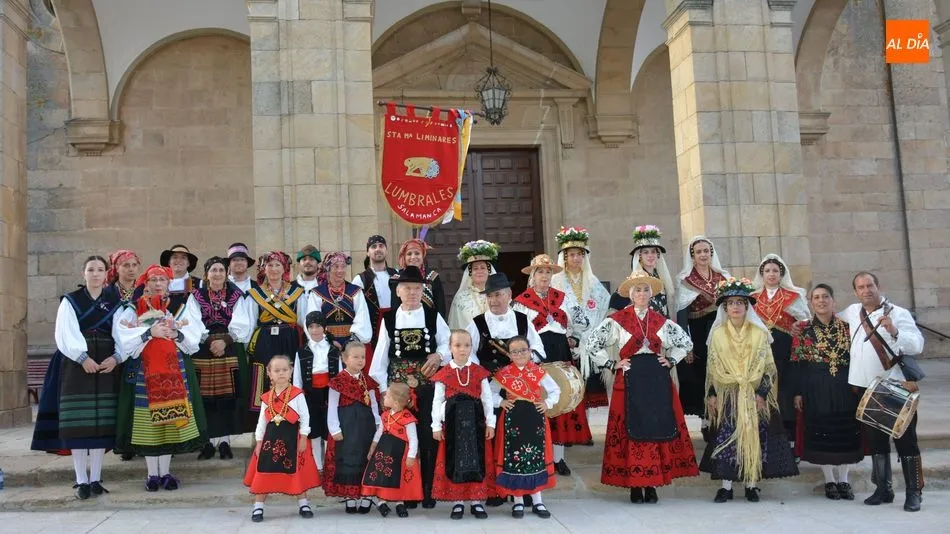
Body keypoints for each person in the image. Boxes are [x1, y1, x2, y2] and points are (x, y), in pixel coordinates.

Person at [585, 270, 699, 504]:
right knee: (630, 428)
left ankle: (653, 483)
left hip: (656, 379)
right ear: (630, 294)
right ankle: (634, 486)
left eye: (646, 289)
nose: (642, 293)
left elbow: (685, 343)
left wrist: (672, 359)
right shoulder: (618, 320)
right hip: (629, 377)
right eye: (638, 289)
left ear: (651, 293)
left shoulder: (660, 320)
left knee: (655, 426)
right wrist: (611, 363)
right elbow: (592, 344)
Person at [30, 256, 122, 499]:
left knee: (101, 424)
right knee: (78, 424)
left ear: (107, 274)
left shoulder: (115, 302)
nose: (95, 274)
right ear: (84, 273)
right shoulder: (71, 301)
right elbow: (65, 332)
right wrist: (82, 358)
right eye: (91, 269)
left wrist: (116, 358)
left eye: (100, 270)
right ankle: (81, 481)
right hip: (76, 363)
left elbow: (121, 331)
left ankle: (96, 480)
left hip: (105, 362)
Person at [700, 277, 798, 503]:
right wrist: (712, 394)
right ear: (725, 308)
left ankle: (751, 485)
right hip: (727, 395)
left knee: (755, 437)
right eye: (730, 303)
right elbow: (713, 368)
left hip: (754, 396)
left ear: (747, 307)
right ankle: (726, 487)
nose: (735, 307)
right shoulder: (717, 334)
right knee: (727, 439)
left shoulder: (759, 333)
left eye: (740, 303)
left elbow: (769, 368)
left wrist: (762, 393)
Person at [114, 264, 209, 491]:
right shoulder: (134, 308)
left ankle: (165, 472)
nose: (158, 284)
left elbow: (195, 334)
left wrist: (176, 333)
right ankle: (151, 475)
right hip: (146, 370)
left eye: (162, 280)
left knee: (170, 419)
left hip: (175, 369)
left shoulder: (180, 308)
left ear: (168, 283)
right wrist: (150, 333)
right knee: (149, 420)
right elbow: (123, 336)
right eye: (153, 280)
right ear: (146, 284)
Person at [842, 271, 925, 512]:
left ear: (878, 286)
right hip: (866, 389)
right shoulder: (852, 311)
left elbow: (917, 344)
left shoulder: (898, 313)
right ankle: (883, 489)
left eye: (870, 285)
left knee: (906, 442)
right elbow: (828, 316)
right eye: (861, 287)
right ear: (855, 291)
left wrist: (895, 331)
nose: (866, 290)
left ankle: (914, 492)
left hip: (895, 387)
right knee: (876, 442)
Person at [370, 265, 452, 509]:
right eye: (407, 288)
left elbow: (448, 344)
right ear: (398, 291)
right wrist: (384, 389)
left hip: (427, 387)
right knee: (400, 438)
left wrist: (438, 355)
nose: (413, 292)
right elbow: (380, 356)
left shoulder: (433, 315)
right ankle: (405, 492)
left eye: (417, 288)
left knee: (427, 437)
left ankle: (427, 490)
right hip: (399, 389)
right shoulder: (389, 319)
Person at [512, 254, 587, 475]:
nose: (544, 276)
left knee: (560, 403)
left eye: (548, 272)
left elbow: (582, 321)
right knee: (538, 403)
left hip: (560, 353)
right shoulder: (521, 302)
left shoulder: (563, 298)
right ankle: (539, 456)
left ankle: (558, 458)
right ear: (533, 276)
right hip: (536, 356)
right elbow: (517, 332)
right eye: (540, 272)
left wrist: (573, 337)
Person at [790, 284, 863, 501]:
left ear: (833, 300)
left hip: (844, 384)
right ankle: (830, 480)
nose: (821, 301)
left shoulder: (848, 328)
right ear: (811, 303)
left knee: (845, 431)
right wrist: (798, 392)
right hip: (815, 385)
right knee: (822, 430)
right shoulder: (802, 329)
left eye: (825, 297)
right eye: (816, 297)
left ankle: (844, 480)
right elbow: (797, 363)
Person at [229, 251, 307, 427]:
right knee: (263, 377)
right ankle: (263, 426)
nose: (273, 269)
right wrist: (247, 348)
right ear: (263, 269)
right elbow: (249, 323)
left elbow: (304, 320)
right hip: (264, 342)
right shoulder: (254, 294)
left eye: (277, 265)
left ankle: (290, 421)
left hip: (289, 340)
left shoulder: (297, 293)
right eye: (269, 265)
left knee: (289, 374)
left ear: (284, 268)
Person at [243, 354, 320, 522]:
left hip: (292, 438)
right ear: (269, 373)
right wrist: (259, 442)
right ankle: (258, 506)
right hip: (270, 439)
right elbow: (261, 422)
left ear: (291, 371)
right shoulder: (266, 397)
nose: (281, 373)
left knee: (296, 472)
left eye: (285, 369)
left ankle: (303, 504)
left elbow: (305, 417)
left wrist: (303, 437)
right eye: (277, 370)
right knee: (264, 471)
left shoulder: (297, 394)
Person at [431, 329, 496, 520]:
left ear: (471, 347)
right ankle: (457, 502)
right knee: (455, 462)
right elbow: (437, 401)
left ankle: (476, 502)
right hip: (453, 428)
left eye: (467, 345)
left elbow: (487, 399)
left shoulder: (479, 372)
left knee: (477, 461)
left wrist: (490, 423)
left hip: (476, 427)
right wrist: (436, 426)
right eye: (457, 345)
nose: (462, 349)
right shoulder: (443, 374)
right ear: (450, 347)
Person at [493, 336, 559, 519]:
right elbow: (489, 392)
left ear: (530, 351)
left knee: (535, 459)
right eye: (515, 351)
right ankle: (518, 502)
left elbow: (555, 391)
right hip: (512, 422)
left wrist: (547, 403)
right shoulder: (504, 373)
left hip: (535, 420)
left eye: (523, 350)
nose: (520, 354)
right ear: (509, 354)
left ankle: (538, 501)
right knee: (515, 459)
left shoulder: (538, 372)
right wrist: (501, 401)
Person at [191, 256, 246, 460]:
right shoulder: (196, 296)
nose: (217, 274)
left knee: (227, 398)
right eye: (213, 270)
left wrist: (225, 341)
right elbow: (192, 322)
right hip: (204, 349)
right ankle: (207, 442)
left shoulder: (235, 295)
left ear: (226, 273)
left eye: (221, 270)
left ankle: (224, 442)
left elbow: (243, 322)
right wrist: (209, 341)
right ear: (207, 274)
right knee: (205, 398)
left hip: (228, 348)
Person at [752, 254, 809, 442]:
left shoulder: (794, 296)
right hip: (760, 352)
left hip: (785, 352)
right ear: (762, 274)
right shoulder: (752, 298)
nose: (771, 274)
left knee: (785, 393)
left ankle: (790, 439)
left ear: (781, 274)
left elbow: (805, 321)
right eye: (767, 271)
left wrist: (798, 325)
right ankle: (765, 436)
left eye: (775, 271)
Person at [675, 236, 731, 416]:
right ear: (692, 256)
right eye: (698, 252)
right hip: (698, 334)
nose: (703, 255)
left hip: (722, 331)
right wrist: (686, 346)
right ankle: (706, 418)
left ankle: (725, 414)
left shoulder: (723, 277)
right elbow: (682, 315)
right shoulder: (685, 280)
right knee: (703, 374)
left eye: (706, 251)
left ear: (711, 253)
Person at [324, 343, 382, 514]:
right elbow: (332, 407)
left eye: (362, 357)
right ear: (345, 358)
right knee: (348, 457)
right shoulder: (337, 382)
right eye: (355, 357)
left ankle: (366, 497)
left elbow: (373, 405)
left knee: (365, 457)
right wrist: (334, 429)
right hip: (346, 427)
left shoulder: (368, 381)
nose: (360, 360)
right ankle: (349, 497)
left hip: (366, 427)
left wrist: (378, 423)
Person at [362, 382, 424, 518]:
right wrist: (372, 447)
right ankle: (381, 502)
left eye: (387, 396)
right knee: (381, 476)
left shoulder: (408, 418)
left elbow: (413, 439)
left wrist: (411, 456)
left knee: (398, 477)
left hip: (400, 455)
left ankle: (399, 503)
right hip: (383, 452)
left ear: (395, 402)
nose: (384, 398)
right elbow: (379, 433)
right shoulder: (385, 415)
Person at [292, 311, 341, 472]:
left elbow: (340, 374)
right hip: (310, 394)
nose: (314, 330)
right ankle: (317, 466)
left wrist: (339, 396)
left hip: (329, 393)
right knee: (313, 428)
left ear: (324, 328)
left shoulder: (333, 350)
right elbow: (297, 378)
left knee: (328, 427)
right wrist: (298, 398)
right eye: (311, 327)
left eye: (318, 326)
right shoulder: (301, 352)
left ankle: (328, 464)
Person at [308, 252, 372, 355]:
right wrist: (329, 341)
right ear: (328, 269)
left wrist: (349, 343)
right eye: (336, 266)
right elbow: (313, 321)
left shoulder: (355, 291)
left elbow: (362, 318)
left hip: (352, 345)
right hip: (325, 345)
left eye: (343, 266)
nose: (340, 270)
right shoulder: (317, 293)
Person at [608, 225, 676, 318]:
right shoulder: (635, 279)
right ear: (640, 256)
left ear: (658, 255)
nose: (650, 255)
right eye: (646, 252)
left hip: (661, 325)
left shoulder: (661, 278)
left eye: (653, 252)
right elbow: (615, 303)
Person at [354, 235, 398, 347]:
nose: (378, 249)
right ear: (368, 253)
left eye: (381, 246)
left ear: (386, 250)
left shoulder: (397, 275)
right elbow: (356, 310)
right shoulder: (360, 279)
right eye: (374, 247)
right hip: (372, 327)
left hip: (396, 323)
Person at [390, 238, 447, 318]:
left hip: (428, 322)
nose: (413, 257)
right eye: (409, 254)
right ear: (404, 257)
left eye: (417, 253)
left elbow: (440, 307)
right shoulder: (396, 279)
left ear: (423, 255)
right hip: (404, 322)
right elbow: (395, 307)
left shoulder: (432, 276)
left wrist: (437, 323)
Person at [448, 240, 499, 329]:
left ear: (489, 271)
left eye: (483, 268)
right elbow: (456, 325)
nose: (479, 271)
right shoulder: (461, 297)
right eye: (475, 268)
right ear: (470, 274)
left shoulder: (499, 294)